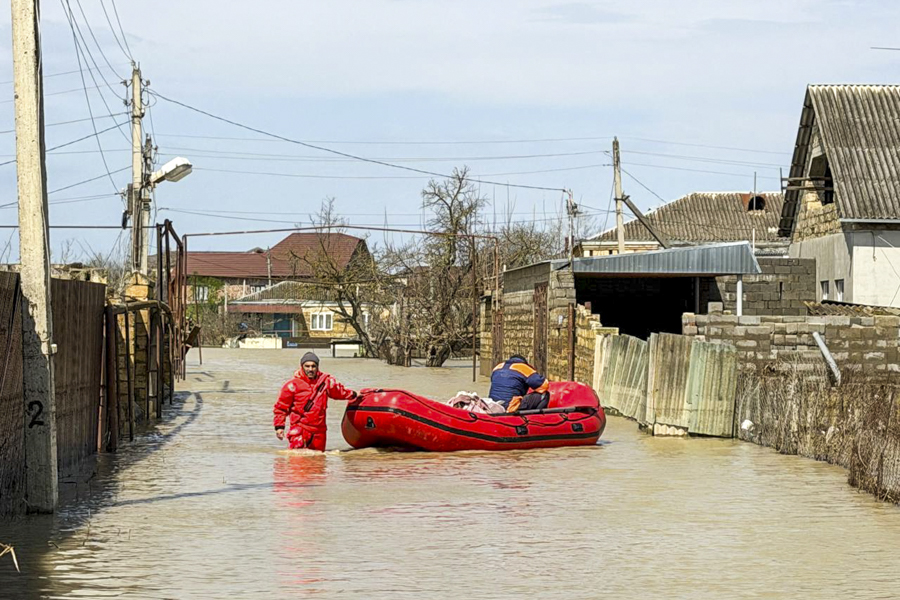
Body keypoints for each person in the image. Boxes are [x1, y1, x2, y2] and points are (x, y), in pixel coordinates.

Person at [273, 351, 358, 451]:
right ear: (302, 366)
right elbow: (281, 408)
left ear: (317, 367)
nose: (310, 369)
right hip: (300, 429)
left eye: (313, 366)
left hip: (319, 432)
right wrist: (279, 427)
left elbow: (339, 392)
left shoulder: (325, 382)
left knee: (319, 463)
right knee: (296, 462)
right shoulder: (292, 385)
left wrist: (355, 395)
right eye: (307, 366)